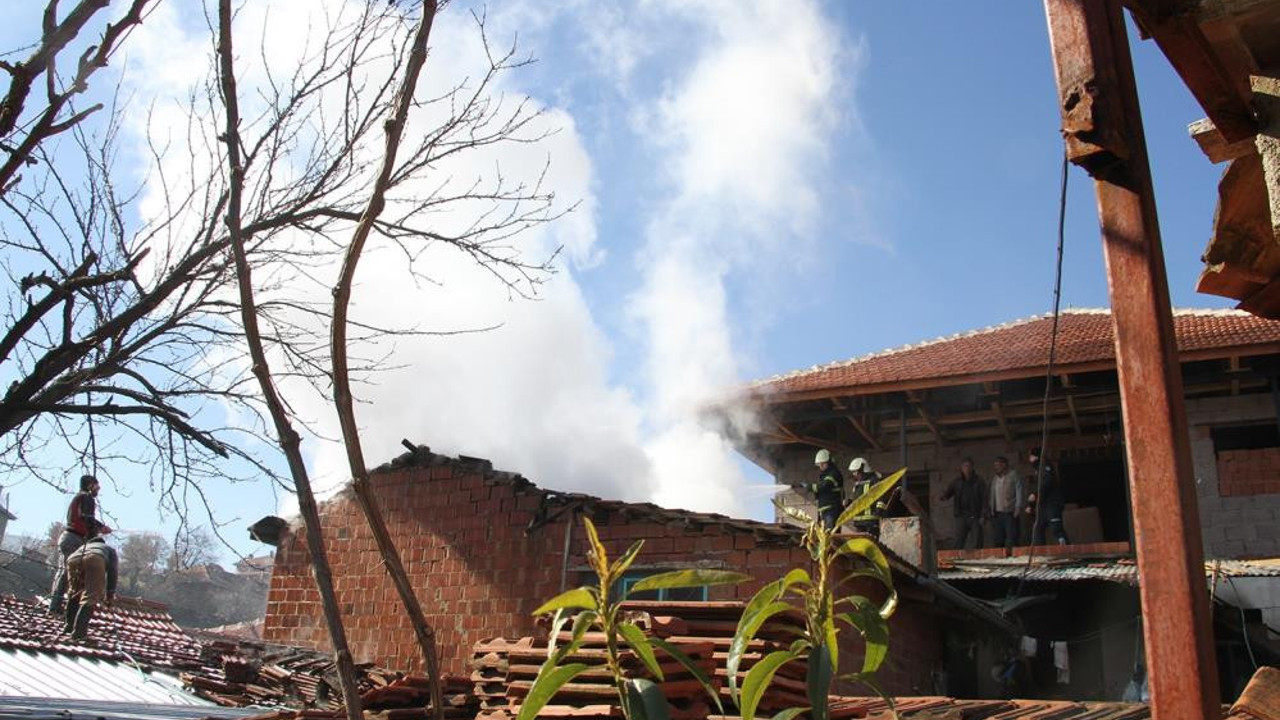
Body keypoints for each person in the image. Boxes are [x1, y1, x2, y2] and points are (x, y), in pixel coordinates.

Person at [49, 475, 111, 615]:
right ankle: (57, 607)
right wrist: (101, 528)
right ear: (90, 485)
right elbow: (87, 519)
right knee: (68, 574)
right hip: (74, 539)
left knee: (67, 573)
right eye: (97, 485)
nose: (99, 488)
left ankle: (59, 605)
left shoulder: (79, 498)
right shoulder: (86, 497)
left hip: (70, 538)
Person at [63, 533, 118, 640]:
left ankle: (68, 627)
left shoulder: (84, 546)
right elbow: (113, 572)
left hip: (73, 559)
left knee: (74, 593)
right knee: (90, 596)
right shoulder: (109, 549)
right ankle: (79, 633)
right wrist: (110, 594)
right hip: (95, 558)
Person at [941, 457, 988, 550]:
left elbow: (985, 499)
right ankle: (956, 560)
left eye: (968, 466)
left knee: (977, 539)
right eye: (964, 466)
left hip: (975, 514)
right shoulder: (957, 482)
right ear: (961, 468)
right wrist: (943, 496)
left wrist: (983, 515)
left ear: (972, 467)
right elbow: (948, 493)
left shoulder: (979, 481)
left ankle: (978, 560)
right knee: (959, 539)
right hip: (962, 515)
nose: (966, 469)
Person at [1026, 447, 1068, 546]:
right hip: (1042, 505)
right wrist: (1031, 505)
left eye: (1030, 456)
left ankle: (1066, 551)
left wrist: (1035, 495)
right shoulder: (1037, 469)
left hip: (1052, 504)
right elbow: (1037, 488)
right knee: (1038, 528)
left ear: (1034, 456)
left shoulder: (1045, 466)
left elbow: (1046, 483)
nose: (1029, 459)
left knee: (1056, 528)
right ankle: (1041, 553)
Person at [989, 456, 1023, 551]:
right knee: (998, 538)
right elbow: (992, 494)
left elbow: (1019, 490)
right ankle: (1000, 558)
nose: (996, 467)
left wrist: (1018, 506)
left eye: (998, 465)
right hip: (997, 513)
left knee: (1011, 537)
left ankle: (1014, 557)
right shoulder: (995, 478)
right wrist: (991, 509)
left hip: (1009, 511)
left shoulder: (1013, 475)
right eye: (995, 465)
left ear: (1004, 465)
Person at [846, 458, 885, 535]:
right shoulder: (857, 484)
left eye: (855, 472)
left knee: (871, 545)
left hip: (870, 522)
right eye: (853, 472)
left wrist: (878, 512)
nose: (854, 474)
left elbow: (881, 498)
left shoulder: (874, 481)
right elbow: (856, 500)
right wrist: (849, 502)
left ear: (862, 469)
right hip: (858, 522)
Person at [809, 449, 845, 530]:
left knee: (830, 536)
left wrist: (812, 487)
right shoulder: (824, 476)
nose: (820, 466)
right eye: (819, 464)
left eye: (822, 464)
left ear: (828, 462)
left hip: (832, 510)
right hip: (824, 511)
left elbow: (825, 485)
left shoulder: (834, 473)